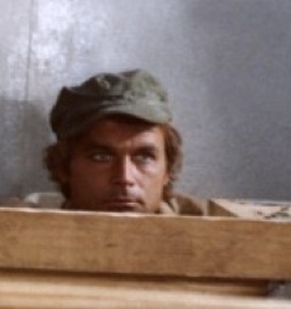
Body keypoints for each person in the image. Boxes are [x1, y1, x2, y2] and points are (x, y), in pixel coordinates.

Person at [16, 68, 208, 215]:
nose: (125, 178)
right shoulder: (19, 225)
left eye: (144, 157)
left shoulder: (213, 226)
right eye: (101, 157)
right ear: (63, 168)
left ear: (167, 170)